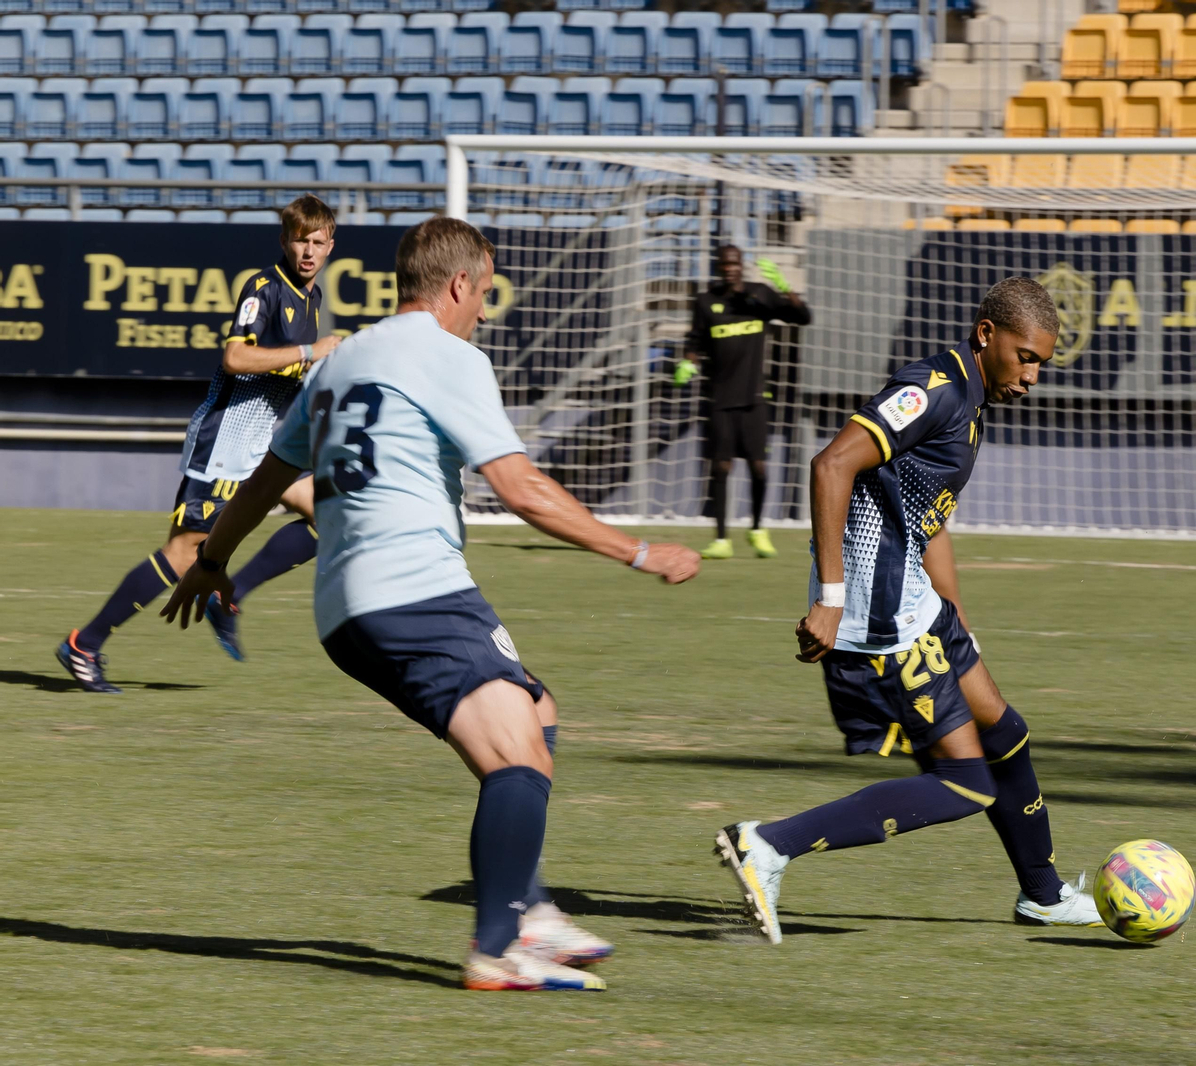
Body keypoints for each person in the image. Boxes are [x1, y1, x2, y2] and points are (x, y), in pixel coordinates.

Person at [160, 217, 700, 992]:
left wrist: (213, 560)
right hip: (414, 589)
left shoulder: (342, 359)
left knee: (534, 711)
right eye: (483, 293)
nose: (482, 309)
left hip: (344, 609)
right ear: (458, 284)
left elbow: (269, 479)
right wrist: (641, 552)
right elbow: (522, 489)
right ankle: (498, 948)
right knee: (516, 755)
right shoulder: (450, 357)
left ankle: (531, 913)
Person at [714, 277, 1102, 944]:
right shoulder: (934, 391)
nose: (1033, 376)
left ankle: (1043, 895)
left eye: (1042, 363)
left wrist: (958, 619)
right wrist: (830, 600)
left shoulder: (971, 399)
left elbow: (928, 519)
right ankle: (768, 845)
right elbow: (832, 465)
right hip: (879, 615)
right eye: (1026, 357)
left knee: (1006, 732)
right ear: (987, 335)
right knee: (966, 783)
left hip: (918, 601)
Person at [58, 195, 341, 690]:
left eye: (318, 242)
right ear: (284, 241)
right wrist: (308, 351)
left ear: (331, 246)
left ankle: (229, 597)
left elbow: (292, 369)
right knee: (184, 553)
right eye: (300, 241)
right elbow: (235, 358)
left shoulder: (311, 297)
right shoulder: (263, 288)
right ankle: (85, 643)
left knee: (331, 512)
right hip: (225, 441)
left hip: (262, 440)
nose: (308, 251)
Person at [677, 245, 811, 561]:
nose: (730, 269)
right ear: (718, 267)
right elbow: (695, 340)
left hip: (754, 398)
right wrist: (688, 361)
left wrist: (785, 287)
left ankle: (757, 529)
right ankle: (721, 538)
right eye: (725, 264)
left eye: (734, 263)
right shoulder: (706, 301)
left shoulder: (760, 295)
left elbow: (803, 317)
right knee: (721, 467)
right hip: (720, 397)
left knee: (759, 468)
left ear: (741, 265)